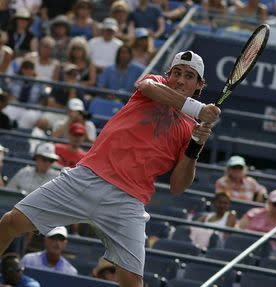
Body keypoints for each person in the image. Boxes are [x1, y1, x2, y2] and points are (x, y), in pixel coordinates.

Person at [0, 50, 220, 287]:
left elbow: (178, 186)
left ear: (199, 84)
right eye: (176, 73)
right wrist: (198, 109)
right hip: (86, 178)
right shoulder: (154, 85)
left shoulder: (191, 130)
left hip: (128, 202)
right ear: (167, 75)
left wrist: (195, 146)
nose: (179, 79)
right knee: (10, 223)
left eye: (188, 76)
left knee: (133, 284)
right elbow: (147, 87)